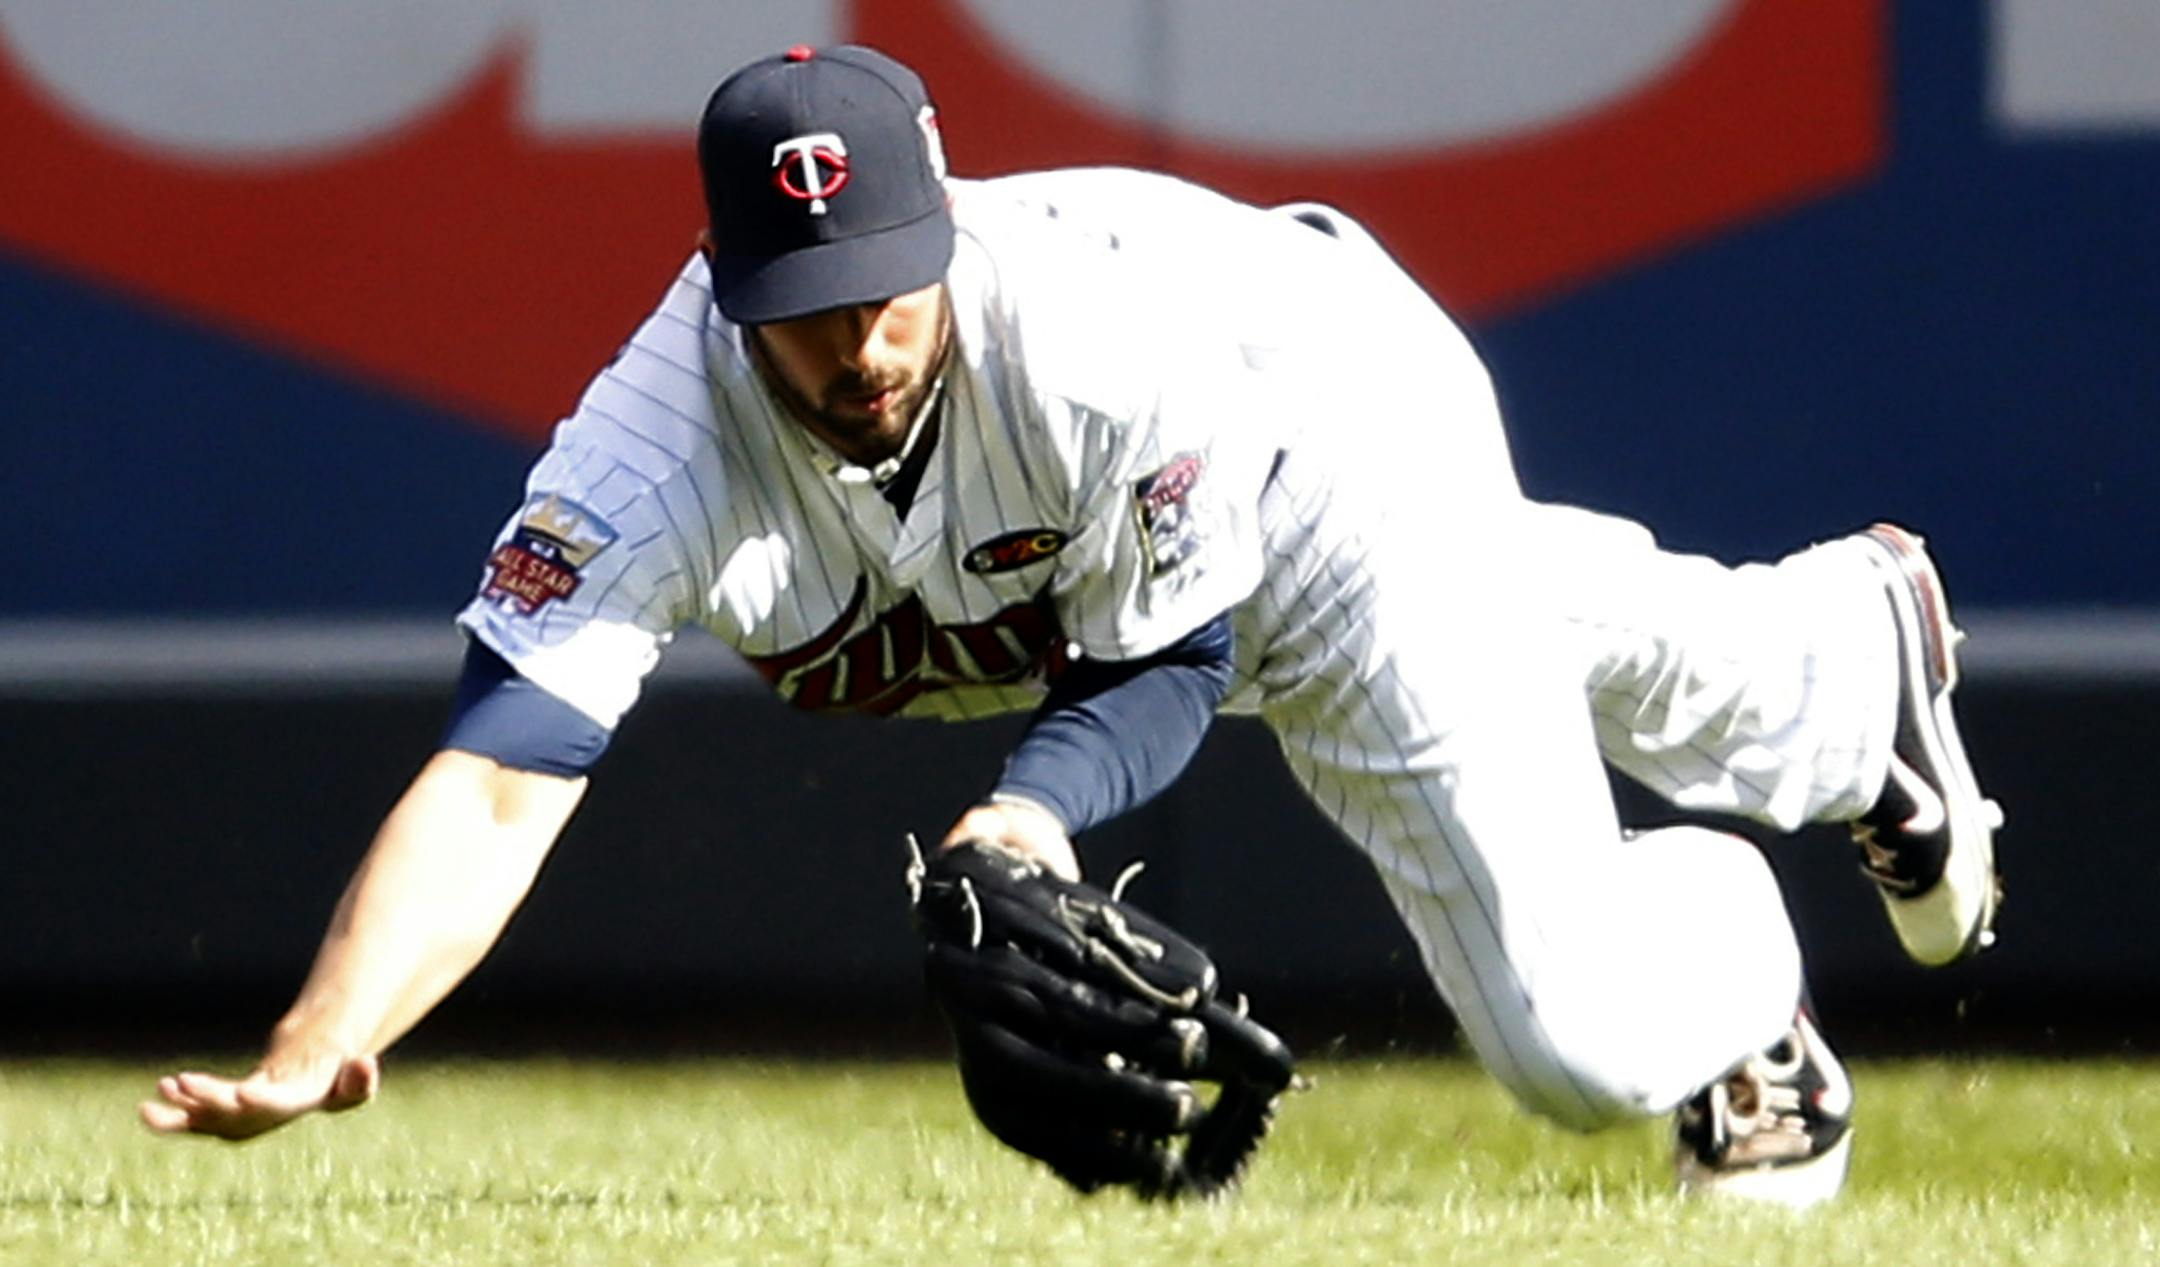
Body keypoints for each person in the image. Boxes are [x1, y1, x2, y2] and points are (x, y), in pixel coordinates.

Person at [141, 43, 2002, 1208]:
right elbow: (498, 776)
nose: (859, 343)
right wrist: (323, 1033)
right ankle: (1847, 663)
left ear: (941, 223)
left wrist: (1025, 820)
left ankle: (1738, 998)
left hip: (1326, 448)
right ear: (725, 292)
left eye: (885, 290)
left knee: (1568, 1044)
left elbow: (1181, 657)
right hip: (1204, 495)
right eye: (806, 309)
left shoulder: (1088, 341)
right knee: (1519, 620)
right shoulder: (652, 442)